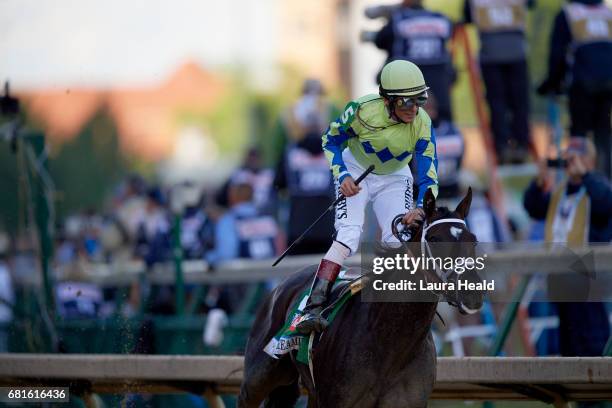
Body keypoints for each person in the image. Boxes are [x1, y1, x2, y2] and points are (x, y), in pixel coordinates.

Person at [295, 60, 439, 333]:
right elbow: (330, 140)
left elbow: (429, 171)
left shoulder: (422, 123)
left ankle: (394, 308)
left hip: (396, 176)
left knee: (399, 238)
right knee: (349, 234)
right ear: (387, 100)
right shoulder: (360, 111)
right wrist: (343, 176)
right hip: (356, 170)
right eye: (406, 102)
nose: (414, 109)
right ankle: (312, 307)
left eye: (419, 100)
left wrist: (420, 207)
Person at [523, 137, 611, 356]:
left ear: (589, 161)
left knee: (593, 344)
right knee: (568, 346)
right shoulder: (560, 192)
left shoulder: (597, 188)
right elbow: (532, 207)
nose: (570, 163)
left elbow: (605, 204)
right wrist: (539, 182)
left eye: (576, 158)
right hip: (561, 280)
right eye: (568, 159)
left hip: (588, 282)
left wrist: (585, 175)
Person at [537, 0, 612, 178]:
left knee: (579, 135)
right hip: (609, 82)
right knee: (603, 133)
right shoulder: (606, 12)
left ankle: (579, 180)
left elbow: (558, 54)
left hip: (582, 82)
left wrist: (552, 83)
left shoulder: (568, 13)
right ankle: (606, 181)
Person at [464, 0, 533, 163]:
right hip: (517, 53)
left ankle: (502, 146)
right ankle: (522, 145)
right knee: (520, 102)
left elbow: (467, 16)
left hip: (491, 54)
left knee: (497, 103)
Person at [374, 0, 455, 122]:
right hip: (440, 86)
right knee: (440, 122)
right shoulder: (441, 18)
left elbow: (380, 41)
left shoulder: (399, 19)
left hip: (405, 84)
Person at [274, 131, 335, 255]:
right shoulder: (333, 150)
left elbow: (278, 185)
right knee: (327, 272)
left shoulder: (290, 152)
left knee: (298, 272)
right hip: (327, 226)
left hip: (298, 228)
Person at [270, 79, 339, 165]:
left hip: (296, 160)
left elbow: (278, 145)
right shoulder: (332, 109)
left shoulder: (288, 111)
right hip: (325, 159)